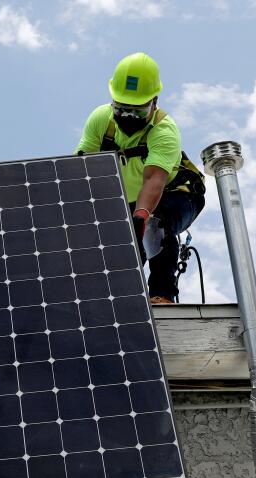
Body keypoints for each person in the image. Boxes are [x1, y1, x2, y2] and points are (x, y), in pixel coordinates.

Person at [76, 53, 206, 304]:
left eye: (137, 111)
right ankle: (123, 301)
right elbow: (82, 171)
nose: (128, 117)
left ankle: (162, 294)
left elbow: (154, 180)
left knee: (154, 226)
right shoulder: (100, 120)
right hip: (131, 199)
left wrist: (141, 216)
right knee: (121, 246)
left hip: (177, 193)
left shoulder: (164, 131)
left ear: (154, 102)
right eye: (121, 109)